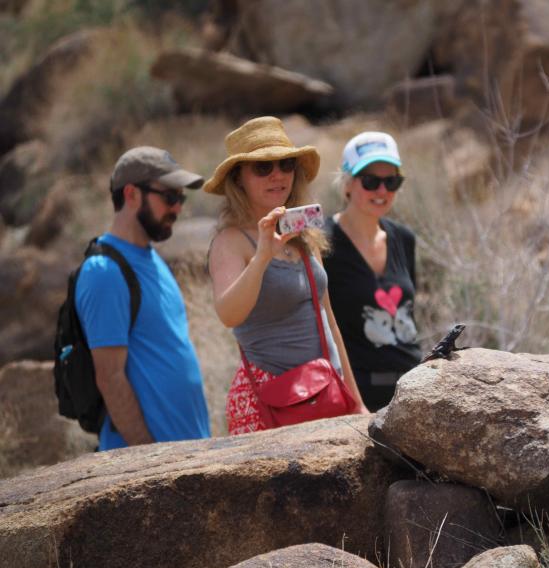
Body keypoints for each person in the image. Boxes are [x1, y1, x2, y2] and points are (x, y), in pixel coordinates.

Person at [204, 116, 368, 434]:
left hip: (323, 390)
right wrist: (262, 256)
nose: (277, 175)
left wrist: (356, 401)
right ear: (238, 179)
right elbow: (229, 314)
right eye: (263, 167)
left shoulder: (304, 236)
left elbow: (328, 321)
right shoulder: (231, 241)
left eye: (286, 165)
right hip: (267, 400)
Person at [76, 146, 211, 450]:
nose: (177, 209)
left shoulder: (152, 259)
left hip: (187, 454)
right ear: (132, 194)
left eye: (181, 199)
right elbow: (110, 378)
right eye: (170, 197)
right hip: (151, 464)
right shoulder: (104, 272)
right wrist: (150, 459)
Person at [323, 132, 422, 411]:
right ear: (347, 183)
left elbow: (408, 315)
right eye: (370, 181)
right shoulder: (322, 242)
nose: (381, 191)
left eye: (391, 182)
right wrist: (355, 403)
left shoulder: (404, 238)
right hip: (355, 397)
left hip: (412, 388)